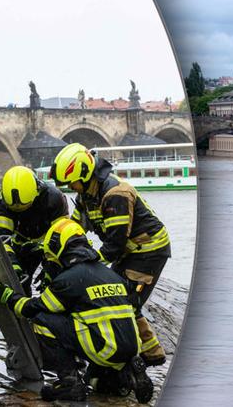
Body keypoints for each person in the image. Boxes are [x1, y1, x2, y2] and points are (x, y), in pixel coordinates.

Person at [0, 218, 153, 403]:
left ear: (60, 249)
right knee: (94, 380)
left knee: (42, 320)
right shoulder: (110, 274)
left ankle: (70, 383)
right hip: (129, 349)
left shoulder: (70, 279)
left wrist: (8, 297)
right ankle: (128, 375)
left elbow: (33, 309)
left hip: (104, 348)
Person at [50, 143, 170, 366]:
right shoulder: (88, 193)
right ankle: (152, 353)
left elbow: (115, 244)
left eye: (71, 182)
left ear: (84, 174)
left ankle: (140, 356)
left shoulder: (115, 194)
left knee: (126, 301)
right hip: (130, 251)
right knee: (121, 297)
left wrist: (85, 263)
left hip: (148, 251)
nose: (70, 187)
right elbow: (75, 225)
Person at [0, 165, 69, 294]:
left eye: (25, 207)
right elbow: (1, 238)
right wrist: (12, 263)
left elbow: (63, 237)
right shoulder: (5, 203)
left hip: (49, 247)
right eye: (16, 210)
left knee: (57, 283)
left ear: (36, 193)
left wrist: (51, 268)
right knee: (18, 284)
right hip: (20, 247)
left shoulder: (54, 198)